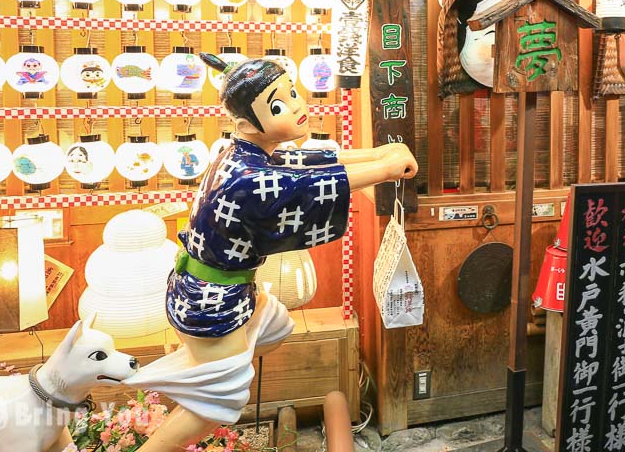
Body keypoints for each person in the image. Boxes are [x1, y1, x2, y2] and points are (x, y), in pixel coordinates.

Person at [126, 54, 417, 451]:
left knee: (276, 322)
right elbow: (300, 186)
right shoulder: (245, 177)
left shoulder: (243, 152)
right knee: (223, 402)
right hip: (212, 303)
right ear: (246, 124)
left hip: (223, 291)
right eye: (278, 106)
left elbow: (305, 162)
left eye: (293, 93)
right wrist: (385, 170)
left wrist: (378, 154)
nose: (297, 105)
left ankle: (213, 370)